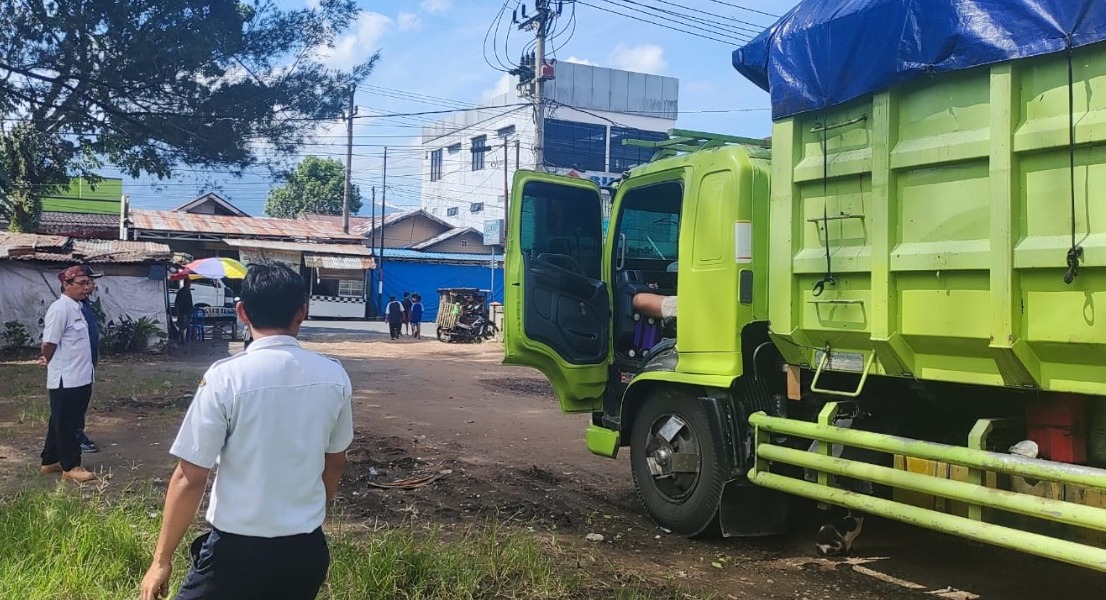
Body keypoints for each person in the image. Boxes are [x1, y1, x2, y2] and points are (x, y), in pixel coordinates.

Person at [140, 262, 353, 600]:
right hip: (305, 550)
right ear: (302, 312)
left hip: (234, 553)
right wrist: (306, 510)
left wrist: (161, 560)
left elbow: (190, 477)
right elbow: (336, 461)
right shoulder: (334, 377)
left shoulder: (227, 378)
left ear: (241, 312)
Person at [38, 264, 99, 483]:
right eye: (81, 283)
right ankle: (71, 465)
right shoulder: (60, 308)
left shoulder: (78, 308)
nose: (86, 288)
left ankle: (50, 460)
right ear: (66, 285)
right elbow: (49, 342)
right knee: (69, 423)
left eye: (87, 283)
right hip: (67, 378)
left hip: (81, 375)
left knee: (60, 420)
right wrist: (47, 359)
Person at [77, 272, 103, 454]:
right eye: (88, 282)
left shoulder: (85, 305)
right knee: (75, 403)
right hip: (75, 365)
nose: (91, 286)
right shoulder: (70, 307)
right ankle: (76, 437)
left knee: (82, 400)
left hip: (87, 363)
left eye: (91, 282)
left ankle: (74, 434)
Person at [175, 278, 194, 343]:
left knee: (185, 325)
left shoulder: (187, 291)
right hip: (183, 311)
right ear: (186, 283)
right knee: (182, 326)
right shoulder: (182, 292)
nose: (190, 284)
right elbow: (177, 302)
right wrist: (178, 311)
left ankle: (183, 338)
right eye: (189, 283)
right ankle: (182, 340)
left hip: (187, 311)